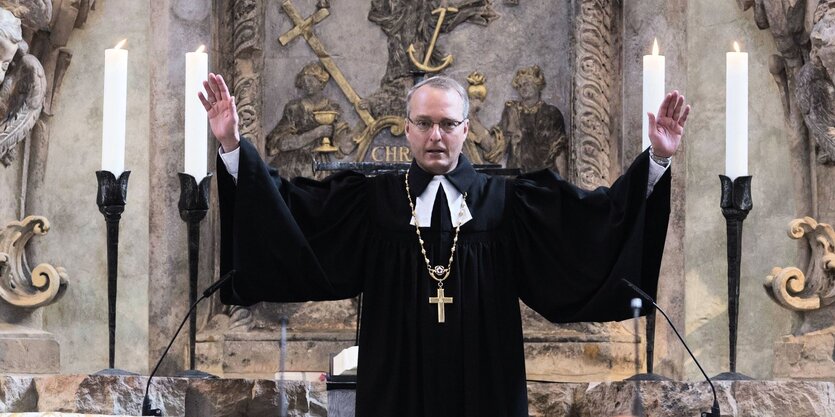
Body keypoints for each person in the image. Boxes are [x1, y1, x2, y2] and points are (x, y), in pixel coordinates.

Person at [199, 73, 689, 417]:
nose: (437, 135)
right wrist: (232, 148)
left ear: (466, 130)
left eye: (448, 124)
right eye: (425, 123)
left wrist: (657, 163)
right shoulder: (371, 201)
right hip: (396, 380)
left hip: (486, 380)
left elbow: (593, 221)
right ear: (407, 128)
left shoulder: (510, 202)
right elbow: (291, 213)